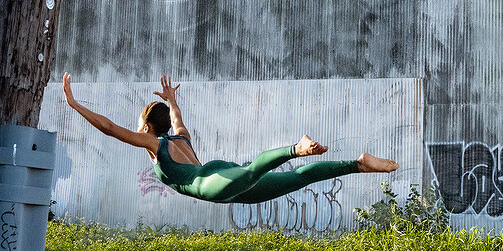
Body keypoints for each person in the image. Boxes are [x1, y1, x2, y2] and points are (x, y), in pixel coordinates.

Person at [62, 72, 397, 204]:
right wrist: (172, 100)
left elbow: (109, 128)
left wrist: (75, 104)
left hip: (211, 183)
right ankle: (358, 164)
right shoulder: (181, 138)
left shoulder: (154, 145)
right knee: (294, 181)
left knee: (253, 172)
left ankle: (296, 147)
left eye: (139, 126)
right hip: (220, 176)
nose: (136, 131)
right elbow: (177, 118)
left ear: (148, 128)